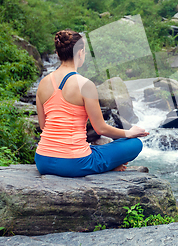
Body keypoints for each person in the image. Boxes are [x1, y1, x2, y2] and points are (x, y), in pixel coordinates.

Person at [34, 29, 148, 177]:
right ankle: (108, 166)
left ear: (57, 54)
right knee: (134, 144)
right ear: (80, 53)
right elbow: (100, 129)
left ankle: (102, 161)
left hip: (42, 160)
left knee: (93, 150)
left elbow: (43, 126)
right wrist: (130, 133)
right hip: (73, 163)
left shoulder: (42, 84)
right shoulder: (85, 85)